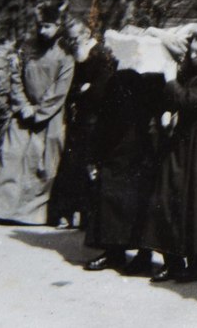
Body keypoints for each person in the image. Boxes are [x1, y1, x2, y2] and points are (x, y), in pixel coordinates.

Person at [143, 30, 197, 283]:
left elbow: (187, 99)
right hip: (182, 141)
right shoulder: (192, 70)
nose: (192, 56)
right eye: (191, 51)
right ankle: (172, 261)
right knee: (167, 195)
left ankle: (196, 263)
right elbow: (174, 99)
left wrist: (171, 81)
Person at [0, 1, 74, 225]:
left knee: (40, 163)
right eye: (40, 26)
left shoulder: (65, 54)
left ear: (58, 26)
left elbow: (60, 89)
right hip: (22, 114)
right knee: (10, 157)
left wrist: (39, 111)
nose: (43, 31)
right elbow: (16, 77)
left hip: (49, 117)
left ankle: (29, 215)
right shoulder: (27, 48)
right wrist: (23, 106)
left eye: (48, 26)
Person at [83, 68, 165, 274]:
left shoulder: (147, 91)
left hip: (141, 151)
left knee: (139, 205)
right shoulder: (114, 90)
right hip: (119, 149)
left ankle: (142, 256)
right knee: (110, 198)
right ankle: (114, 252)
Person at [49, 19, 117, 229]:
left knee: (86, 164)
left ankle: (84, 214)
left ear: (86, 34)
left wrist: (84, 91)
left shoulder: (101, 53)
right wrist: (81, 90)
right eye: (69, 38)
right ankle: (66, 212)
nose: (72, 41)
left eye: (75, 37)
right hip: (78, 116)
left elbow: (102, 88)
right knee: (71, 163)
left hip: (95, 118)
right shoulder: (74, 54)